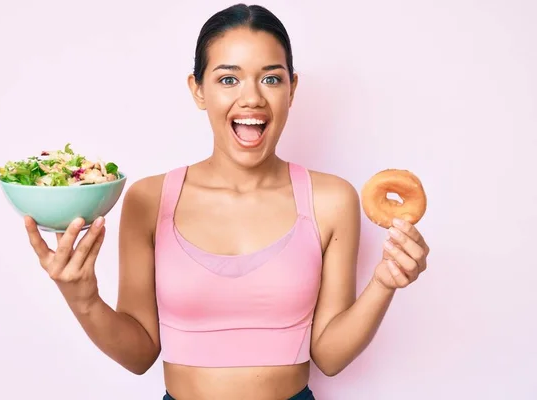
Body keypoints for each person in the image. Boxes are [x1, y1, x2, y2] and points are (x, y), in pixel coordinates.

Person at [24, 3, 430, 400]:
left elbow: (329, 355)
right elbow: (140, 353)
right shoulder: (148, 200)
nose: (252, 98)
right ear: (198, 90)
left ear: (292, 89)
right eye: (228, 79)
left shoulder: (331, 199)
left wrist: (384, 283)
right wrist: (82, 298)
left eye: (271, 79)